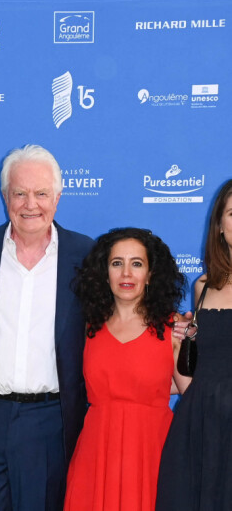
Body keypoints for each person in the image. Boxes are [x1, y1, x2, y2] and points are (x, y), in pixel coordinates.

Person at [0, 145, 94, 511]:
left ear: (58, 197)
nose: (30, 204)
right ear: (5, 195)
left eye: (41, 193)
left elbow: (121, 314)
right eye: (20, 193)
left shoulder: (86, 256)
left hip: (51, 424)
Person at [63, 227, 190, 511]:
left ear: (151, 274)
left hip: (153, 453)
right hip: (96, 453)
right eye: (117, 263)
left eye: (137, 264)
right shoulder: (87, 327)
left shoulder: (174, 328)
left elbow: (192, 393)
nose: (126, 274)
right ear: (104, 272)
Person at [156, 179, 232, 511]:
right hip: (201, 421)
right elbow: (194, 370)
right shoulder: (203, 285)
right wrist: (179, 342)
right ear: (219, 226)